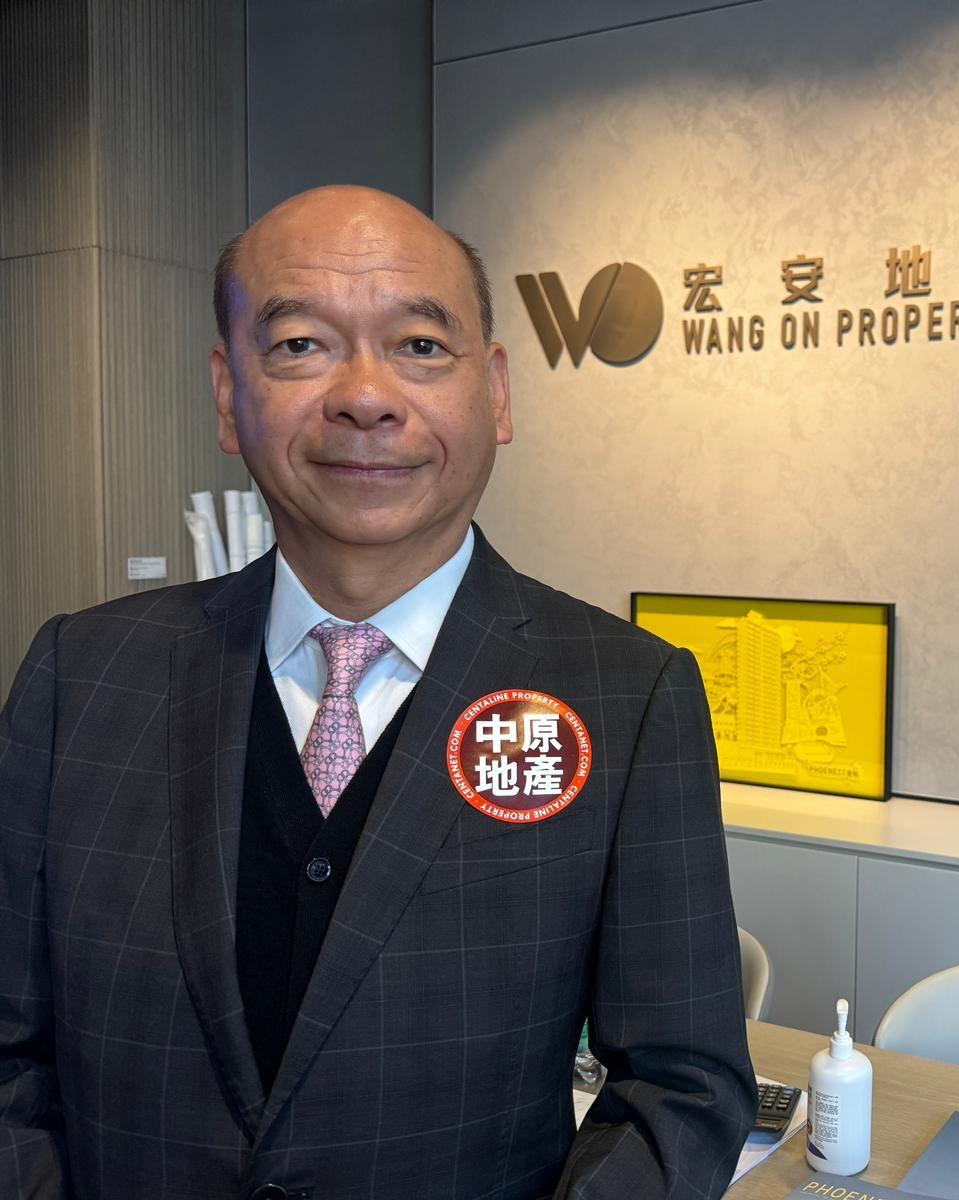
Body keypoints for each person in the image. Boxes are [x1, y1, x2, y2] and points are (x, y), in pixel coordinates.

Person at [0, 186, 757, 1199]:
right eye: (301, 345)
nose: (365, 396)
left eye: (420, 346)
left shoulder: (628, 696)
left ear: (496, 394)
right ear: (227, 395)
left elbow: (680, 1089)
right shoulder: (81, 675)